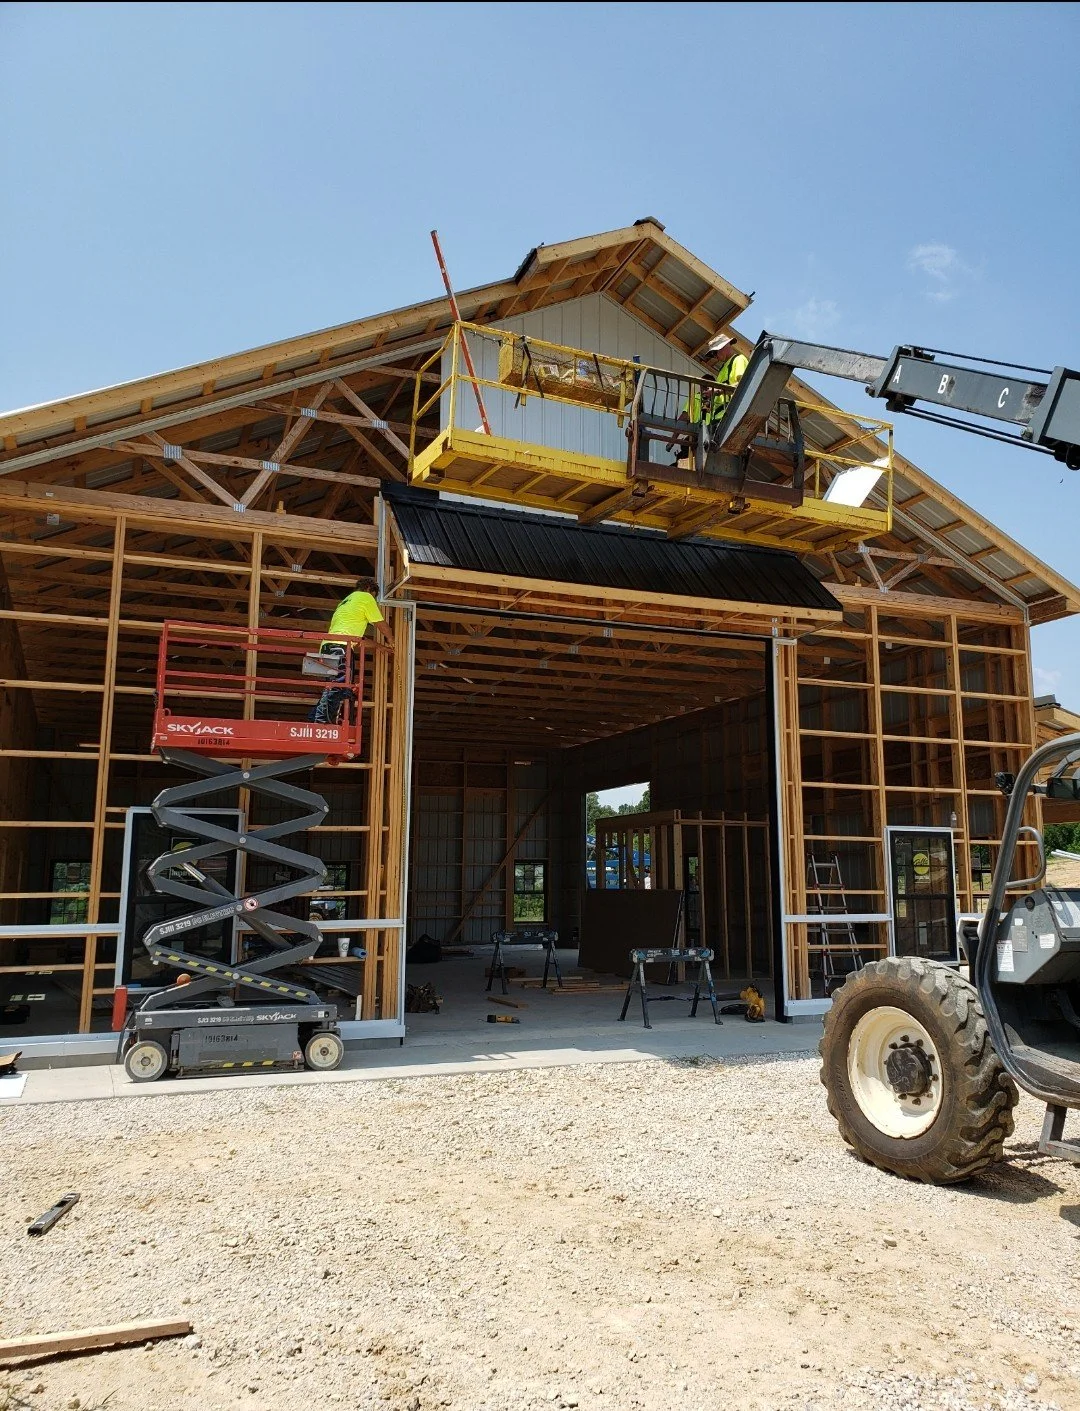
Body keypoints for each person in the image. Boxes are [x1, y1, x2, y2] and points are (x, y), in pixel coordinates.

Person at [310, 576, 390, 724]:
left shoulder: (346, 602)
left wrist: (381, 647)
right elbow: (381, 624)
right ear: (369, 589)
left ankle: (317, 718)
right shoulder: (366, 597)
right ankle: (321, 723)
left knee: (333, 686)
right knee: (338, 687)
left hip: (328, 646)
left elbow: (359, 640)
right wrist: (392, 640)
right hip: (340, 647)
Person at [671, 333, 750, 463]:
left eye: (715, 353)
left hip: (728, 417)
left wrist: (716, 391)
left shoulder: (738, 360)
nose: (715, 357)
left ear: (724, 346)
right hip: (718, 420)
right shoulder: (724, 368)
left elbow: (743, 385)